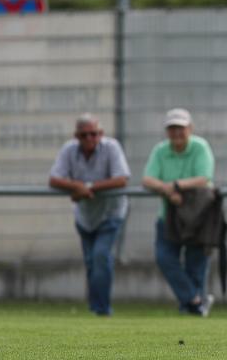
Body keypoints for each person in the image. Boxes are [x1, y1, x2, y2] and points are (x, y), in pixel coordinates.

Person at [48, 114, 130, 316]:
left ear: (101, 134)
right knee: (92, 262)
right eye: (84, 135)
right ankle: (95, 307)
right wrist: (76, 186)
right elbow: (54, 179)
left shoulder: (112, 147)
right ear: (76, 136)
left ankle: (102, 309)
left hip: (111, 213)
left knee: (101, 256)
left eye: (93, 134)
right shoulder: (69, 150)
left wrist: (88, 188)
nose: (89, 138)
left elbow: (121, 179)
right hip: (85, 216)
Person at [142, 108, 216, 316]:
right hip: (169, 216)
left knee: (196, 264)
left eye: (180, 128)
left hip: (199, 216)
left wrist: (176, 186)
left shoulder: (200, 147)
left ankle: (192, 309)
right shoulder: (160, 150)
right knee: (164, 258)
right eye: (172, 128)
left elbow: (203, 178)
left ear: (190, 128)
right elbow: (147, 179)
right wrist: (167, 190)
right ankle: (195, 300)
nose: (176, 133)